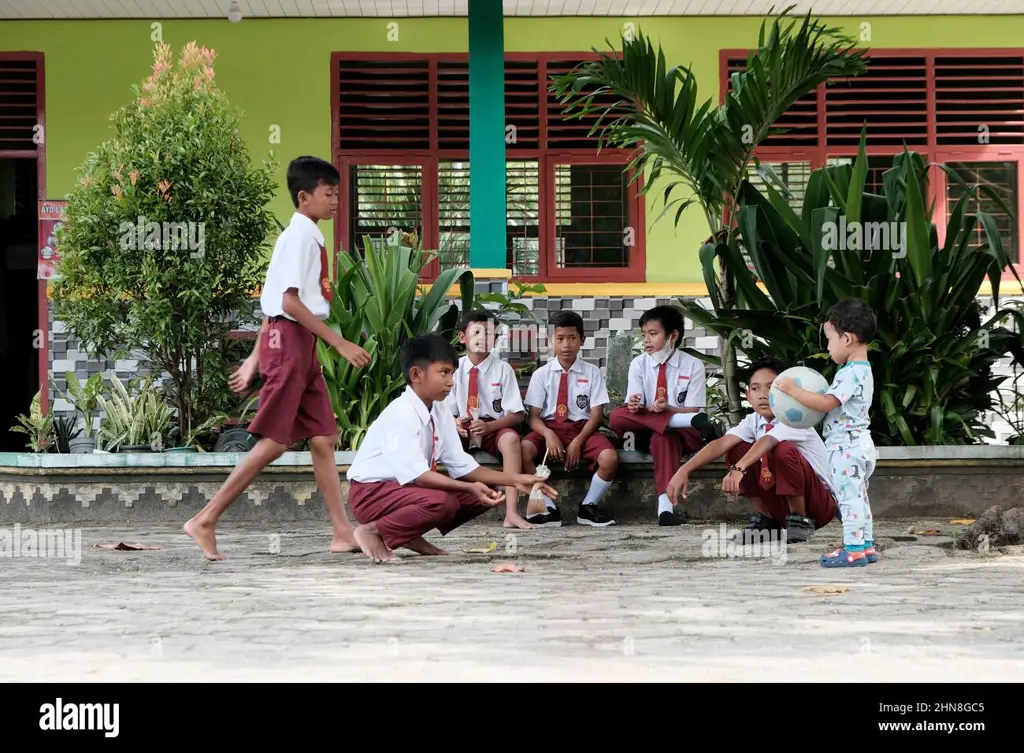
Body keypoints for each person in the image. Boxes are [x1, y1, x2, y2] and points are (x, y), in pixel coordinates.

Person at [184, 156, 372, 561]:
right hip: (290, 342)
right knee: (275, 442)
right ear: (305, 197)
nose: (336, 201)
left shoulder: (305, 236)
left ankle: (342, 532)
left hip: (296, 342)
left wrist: (254, 357)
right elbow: (288, 303)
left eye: (338, 193)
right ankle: (205, 519)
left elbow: (273, 305)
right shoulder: (299, 238)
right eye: (329, 193)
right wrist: (338, 344)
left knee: (323, 438)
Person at [346, 334, 559, 563]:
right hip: (371, 494)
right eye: (444, 373)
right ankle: (372, 531)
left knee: (488, 490)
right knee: (443, 502)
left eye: (452, 374)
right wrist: (468, 488)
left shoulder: (439, 410)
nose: (451, 382)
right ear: (416, 374)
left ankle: (406, 534)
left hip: (401, 491)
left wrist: (515, 479)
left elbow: (462, 464)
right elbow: (418, 476)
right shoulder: (402, 412)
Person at [665, 357, 839, 544]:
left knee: (783, 449)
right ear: (748, 395)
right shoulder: (754, 420)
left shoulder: (797, 417)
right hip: (780, 507)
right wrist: (684, 470)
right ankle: (766, 520)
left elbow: (768, 440)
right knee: (735, 449)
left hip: (818, 505)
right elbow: (722, 443)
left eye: (771, 387)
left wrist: (738, 469)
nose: (763, 395)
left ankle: (800, 520)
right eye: (755, 389)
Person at [773, 299, 878, 567]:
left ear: (847, 338)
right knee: (859, 496)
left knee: (849, 499)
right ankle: (865, 545)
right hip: (860, 445)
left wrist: (793, 391)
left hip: (846, 447)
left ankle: (853, 550)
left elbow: (826, 403)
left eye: (830, 339)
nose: (828, 346)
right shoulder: (862, 371)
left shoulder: (850, 374)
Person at [608, 305, 717, 526]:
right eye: (644, 334)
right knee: (617, 417)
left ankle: (665, 510)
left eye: (653, 334)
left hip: (683, 433)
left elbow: (694, 409)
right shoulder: (639, 363)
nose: (646, 340)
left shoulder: (693, 365)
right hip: (644, 432)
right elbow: (633, 408)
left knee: (664, 437)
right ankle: (684, 423)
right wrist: (635, 404)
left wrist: (668, 409)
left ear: (673, 336)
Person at [521, 310, 619, 527]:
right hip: (549, 428)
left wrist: (578, 441)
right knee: (523, 450)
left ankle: (588, 507)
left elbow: (596, 415)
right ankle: (548, 507)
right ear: (551, 341)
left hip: (582, 429)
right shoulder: (542, 375)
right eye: (560, 339)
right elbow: (533, 417)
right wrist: (548, 434)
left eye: (572, 338)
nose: (566, 345)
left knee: (609, 458)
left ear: (582, 340)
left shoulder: (592, 373)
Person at [445, 309, 534, 530]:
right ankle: (443, 510)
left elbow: (516, 414)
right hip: (463, 427)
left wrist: (490, 426)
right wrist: (454, 423)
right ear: (462, 337)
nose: (482, 338)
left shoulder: (503, 369)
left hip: (494, 426)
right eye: (476, 332)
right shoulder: (453, 369)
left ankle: (512, 513)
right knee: (438, 439)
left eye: (489, 333)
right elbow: (444, 410)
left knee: (512, 441)